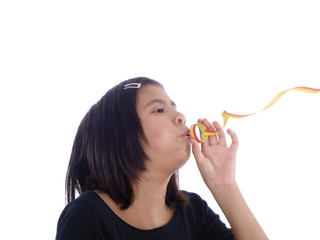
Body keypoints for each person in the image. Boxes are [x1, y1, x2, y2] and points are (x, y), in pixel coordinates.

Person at [55, 77, 268, 240]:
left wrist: (225, 186)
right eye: (159, 110)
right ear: (122, 136)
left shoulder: (193, 212)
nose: (181, 117)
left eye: (174, 106)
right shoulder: (87, 215)